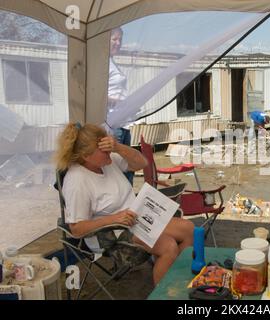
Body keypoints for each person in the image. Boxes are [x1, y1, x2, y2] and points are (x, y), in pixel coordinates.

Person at [54, 123, 194, 285]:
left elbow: (141, 163)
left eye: (108, 146)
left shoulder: (108, 160)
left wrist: (118, 147)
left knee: (189, 229)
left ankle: (178, 281)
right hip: (109, 232)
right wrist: (114, 219)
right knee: (168, 246)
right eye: (104, 150)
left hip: (135, 218)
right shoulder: (77, 181)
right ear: (86, 156)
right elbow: (77, 229)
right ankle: (166, 293)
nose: (109, 152)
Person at [108, 27, 134, 185]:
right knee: (117, 169)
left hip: (124, 123)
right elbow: (95, 95)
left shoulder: (112, 62)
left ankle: (128, 203)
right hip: (113, 124)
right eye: (114, 39)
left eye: (120, 40)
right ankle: (121, 205)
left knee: (127, 166)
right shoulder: (101, 63)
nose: (118, 43)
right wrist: (122, 103)